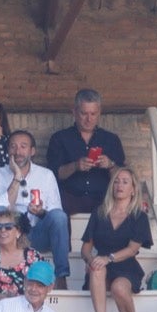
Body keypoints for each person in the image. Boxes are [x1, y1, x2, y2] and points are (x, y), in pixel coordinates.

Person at [0, 130, 71, 289]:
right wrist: (17, 177)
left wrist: (41, 212)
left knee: (59, 217)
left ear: (32, 151)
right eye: (13, 147)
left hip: (39, 234)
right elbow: (1, 212)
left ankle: (61, 276)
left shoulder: (46, 175)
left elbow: (56, 211)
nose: (17, 151)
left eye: (23, 146)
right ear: (8, 151)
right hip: (14, 236)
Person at [81, 167, 153, 312]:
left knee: (119, 288)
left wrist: (109, 258)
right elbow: (85, 248)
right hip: (101, 267)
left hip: (125, 266)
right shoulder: (99, 213)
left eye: (125, 182)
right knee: (97, 268)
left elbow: (133, 249)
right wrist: (90, 260)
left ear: (133, 190)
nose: (119, 185)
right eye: (116, 182)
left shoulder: (139, 216)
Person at [46, 88, 125, 216]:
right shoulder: (60, 138)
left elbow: (123, 177)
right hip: (69, 198)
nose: (89, 119)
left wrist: (110, 165)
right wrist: (75, 166)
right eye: (84, 113)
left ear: (99, 113)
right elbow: (53, 175)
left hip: (103, 199)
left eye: (93, 114)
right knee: (58, 213)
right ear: (74, 112)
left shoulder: (111, 139)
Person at [0, 208, 40, 303]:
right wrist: (4, 297)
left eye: (8, 227)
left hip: (25, 307)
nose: (3, 230)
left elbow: (41, 286)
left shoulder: (33, 256)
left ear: (18, 232)